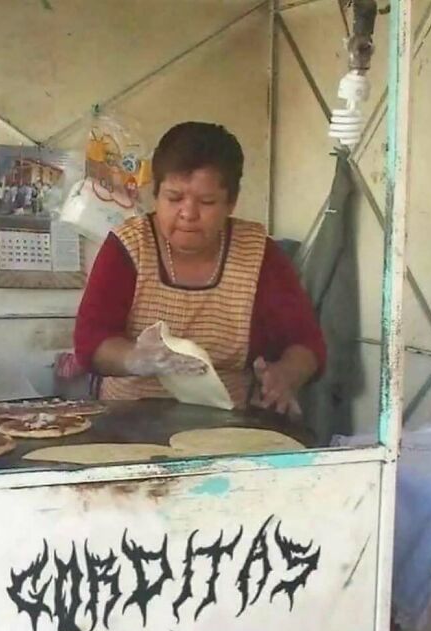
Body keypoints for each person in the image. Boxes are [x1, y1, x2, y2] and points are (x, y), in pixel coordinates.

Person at [74, 122, 326, 415]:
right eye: (174, 198)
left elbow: (305, 342)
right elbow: (91, 341)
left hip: (229, 417)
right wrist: (136, 358)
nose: (188, 214)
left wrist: (285, 376)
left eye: (207, 201)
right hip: (128, 415)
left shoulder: (259, 254)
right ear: (156, 195)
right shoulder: (128, 247)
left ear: (231, 203)